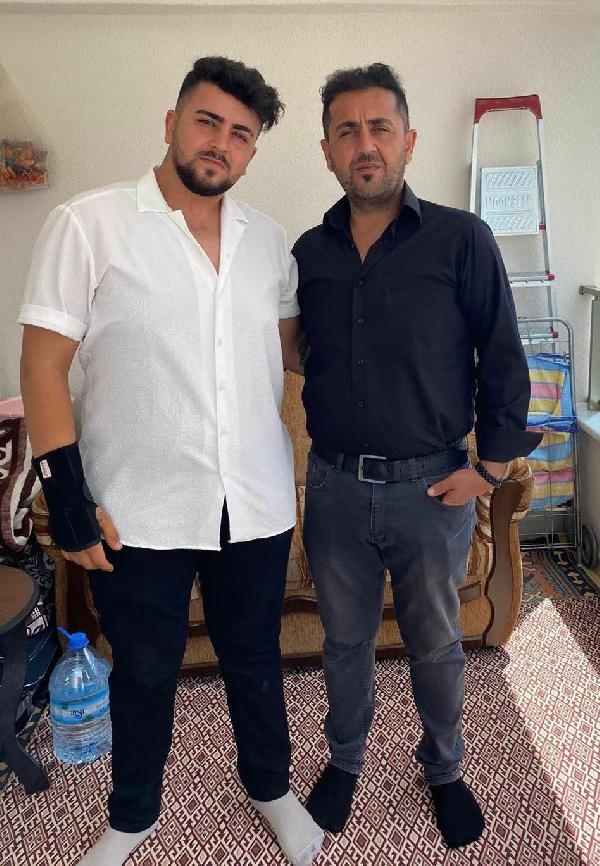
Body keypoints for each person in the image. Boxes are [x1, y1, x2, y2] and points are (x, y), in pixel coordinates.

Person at [18, 56, 322, 866]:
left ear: (253, 151)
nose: (221, 143)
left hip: (253, 501)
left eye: (241, 134)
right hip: (136, 510)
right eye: (207, 121)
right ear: (171, 122)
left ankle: (271, 788)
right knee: (145, 671)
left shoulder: (269, 244)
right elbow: (43, 367)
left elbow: (293, 355)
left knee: (254, 658)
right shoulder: (89, 224)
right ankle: (132, 815)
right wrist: (67, 499)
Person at [291, 63, 542, 849]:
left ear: (409, 141)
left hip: (433, 490)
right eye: (347, 131)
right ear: (327, 150)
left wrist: (489, 469)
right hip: (334, 489)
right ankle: (344, 761)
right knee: (343, 643)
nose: (364, 144)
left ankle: (444, 767)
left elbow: (504, 357)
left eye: (380, 128)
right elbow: (297, 353)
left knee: (435, 642)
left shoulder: (461, 239)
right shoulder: (308, 253)